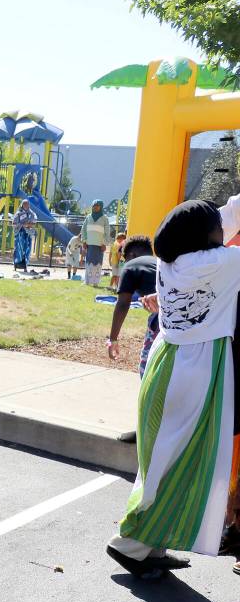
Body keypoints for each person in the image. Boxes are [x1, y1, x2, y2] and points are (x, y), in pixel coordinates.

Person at [107, 197, 240, 579]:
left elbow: (228, 217)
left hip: (165, 364)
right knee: (183, 463)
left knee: (163, 461)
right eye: (217, 227)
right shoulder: (222, 263)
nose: (223, 229)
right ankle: (131, 544)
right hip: (196, 373)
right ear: (206, 237)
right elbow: (230, 218)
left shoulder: (172, 261)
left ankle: (151, 545)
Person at [107, 235, 158, 376]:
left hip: (162, 318)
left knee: (147, 367)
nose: (125, 263)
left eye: (125, 259)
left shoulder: (131, 265)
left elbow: (123, 303)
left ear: (132, 255)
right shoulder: (159, 262)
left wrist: (113, 339)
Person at [80, 199, 111, 286]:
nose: (95, 207)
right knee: (88, 262)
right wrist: (84, 241)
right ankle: (87, 281)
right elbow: (83, 230)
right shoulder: (88, 217)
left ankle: (95, 282)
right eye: (94, 206)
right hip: (89, 244)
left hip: (99, 245)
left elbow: (107, 232)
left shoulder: (105, 218)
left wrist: (104, 243)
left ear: (101, 207)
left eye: (97, 206)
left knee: (97, 263)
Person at [12, 200, 37, 272]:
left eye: (27, 204)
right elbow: (14, 223)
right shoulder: (18, 213)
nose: (26, 206)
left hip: (28, 234)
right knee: (18, 249)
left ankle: (25, 267)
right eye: (24, 204)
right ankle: (16, 265)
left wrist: (29, 224)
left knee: (27, 250)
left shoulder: (32, 213)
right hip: (20, 234)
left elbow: (34, 221)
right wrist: (22, 225)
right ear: (22, 205)